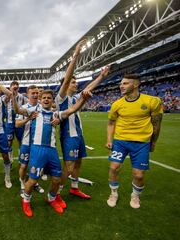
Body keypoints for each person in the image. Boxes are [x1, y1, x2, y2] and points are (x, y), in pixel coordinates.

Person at [17, 89, 92, 217]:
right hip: (37, 149)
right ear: (40, 100)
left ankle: (51, 198)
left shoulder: (56, 114)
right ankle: (26, 200)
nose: (46, 99)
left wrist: (84, 99)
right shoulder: (34, 112)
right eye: (44, 97)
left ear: (52, 101)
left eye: (49, 98)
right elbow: (18, 111)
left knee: (57, 179)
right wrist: (13, 98)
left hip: (52, 150)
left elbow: (72, 110)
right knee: (33, 180)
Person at [56, 39, 109, 201]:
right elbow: (67, 79)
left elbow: (89, 88)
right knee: (69, 166)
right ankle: (56, 193)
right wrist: (76, 55)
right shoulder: (61, 98)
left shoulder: (76, 97)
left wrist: (101, 76)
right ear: (66, 85)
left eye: (75, 82)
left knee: (78, 163)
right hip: (68, 136)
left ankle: (74, 188)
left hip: (79, 136)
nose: (75, 83)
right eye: (73, 82)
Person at [106, 73, 163, 209]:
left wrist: (153, 142)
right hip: (120, 141)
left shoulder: (152, 101)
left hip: (141, 143)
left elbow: (157, 124)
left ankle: (135, 195)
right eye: (121, 83)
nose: (121, 86)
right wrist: (109, 139)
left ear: (136, 84)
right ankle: (113, 193)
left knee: (138, 174)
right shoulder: (117, 104)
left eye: (125, 83)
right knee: (113, 167)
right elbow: (110, 123)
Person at [13, 85, 45, 195]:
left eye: (37, 93)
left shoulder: (42, 106)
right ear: (28, 94)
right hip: (26, 142)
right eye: (33, 93)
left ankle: (34, 183)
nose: (36, 95)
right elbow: (17, 124)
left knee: (35, 165)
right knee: (23, 165)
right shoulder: (24, 108)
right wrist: (28, 118)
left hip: (39, 142)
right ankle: (22, 183)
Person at [5, 81, 27, 162]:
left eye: (17, 85)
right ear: (10, 88)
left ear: (19, 88)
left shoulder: (22, 97)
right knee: (9, 142)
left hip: (20, 122)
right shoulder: (6, 97)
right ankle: (10, 159)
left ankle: (20, 158)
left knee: (20, 141)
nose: (15, 86)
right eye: (13, 85)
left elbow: (30, 103)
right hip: (9, 123)